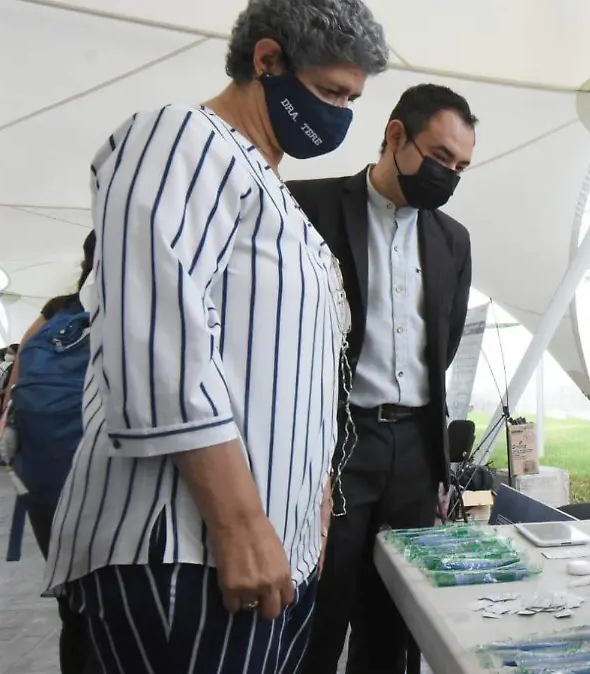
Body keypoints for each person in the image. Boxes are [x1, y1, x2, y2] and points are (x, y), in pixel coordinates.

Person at [44, 1, 389, 671]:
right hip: (184, 550)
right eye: (329, 93)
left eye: (352, 99)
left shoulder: (277, 196)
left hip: (269, 557)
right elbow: (155, 337)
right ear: (268, 61)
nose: (341, 114)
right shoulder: (184, 139)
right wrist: (239, 522)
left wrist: (312, 498)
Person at [287, 83, 475, 674]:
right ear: (396, 136)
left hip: (415, 452)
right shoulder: (307, 206)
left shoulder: (453, 240)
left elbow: (442, 343)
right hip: (336, 444)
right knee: (319, 610)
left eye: (460, 167)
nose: (448, 175)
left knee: (394, 623)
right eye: (440, 157)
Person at [3, 232, 96, 674]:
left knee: (71, 599)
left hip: (44, 471)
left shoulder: (57, 309)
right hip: (101, 467)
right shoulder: (129, 305)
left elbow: (18, 377)